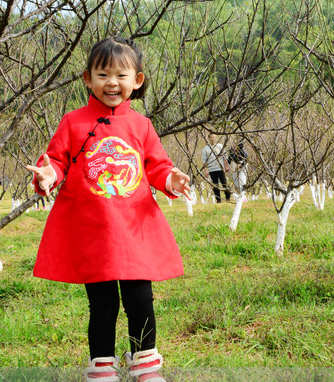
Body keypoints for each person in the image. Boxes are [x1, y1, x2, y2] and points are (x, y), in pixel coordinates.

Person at [26, 37, 190, 382]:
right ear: (87, 79)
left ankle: (145, 366)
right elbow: (56, 160)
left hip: (133, 230)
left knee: (140, 299)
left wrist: (172, 181)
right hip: (93, 230)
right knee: (102, 305)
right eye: (102, 74)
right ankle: (102, 367)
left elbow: (157, 167)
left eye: (120, 75)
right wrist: (47, 174)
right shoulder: (73, 122)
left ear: (137, 80)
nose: (111, 83)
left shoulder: (141, 126)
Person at [201, 133, 230, 203]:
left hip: (220, 168)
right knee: (215, 185)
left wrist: (226, 166)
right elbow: (204, 161)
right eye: (212, 137)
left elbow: (225, 157)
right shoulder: (205, 149)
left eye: (215, 137)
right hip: (212, 169)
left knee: (224, 183)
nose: (214, 139)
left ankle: (228, 197)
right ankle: (218, 199)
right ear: (209, 138)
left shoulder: (220, 146)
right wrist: (206, 171)